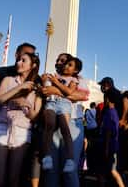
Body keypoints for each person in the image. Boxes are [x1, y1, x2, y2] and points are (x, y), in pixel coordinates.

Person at [0, 52, 42, 187]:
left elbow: (35, 117)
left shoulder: (37, 88)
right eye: (18, 60)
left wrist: (27, 107)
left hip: (22, 132)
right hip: (0, 127)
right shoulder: (8, 80)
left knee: (14, 180)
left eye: (23, 60)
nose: (19, 62)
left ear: (33, 65)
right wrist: (19, 89)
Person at [42, 54, 89, 187]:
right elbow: (44, 91)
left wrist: (55, 90)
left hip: (72, 123)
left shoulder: (77, 79)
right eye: (57, 60)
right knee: (51, 170)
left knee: (69, 171)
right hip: (54, 124)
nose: (60, 63)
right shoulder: (53, 77)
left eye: (64, 61)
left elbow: (82, 96)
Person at [98, 90, 125, 187]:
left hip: (109, 146)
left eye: (104, 98)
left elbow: (108, 132)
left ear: (108, 99)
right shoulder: (114, 112)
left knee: (102, 171)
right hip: (113, 146)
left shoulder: (109, 113)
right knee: (112, 170)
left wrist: (106, 148)